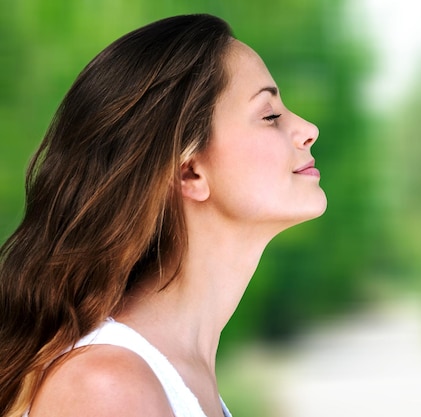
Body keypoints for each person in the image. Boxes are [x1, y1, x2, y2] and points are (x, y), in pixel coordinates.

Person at [0, 14, 327, 417]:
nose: (308, 129)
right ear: (190, 171)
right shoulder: (107, 388)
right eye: (270, 115)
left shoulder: (174, 377)